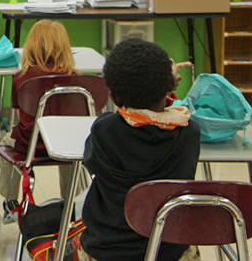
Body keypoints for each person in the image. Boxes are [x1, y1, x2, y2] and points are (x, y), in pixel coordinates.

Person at [80, 38, 201, 261]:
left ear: (114, 97)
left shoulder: (105, 130)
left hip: (107, 250)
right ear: (172, 85)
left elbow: (90, 162)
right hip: (169, 252)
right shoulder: (189, 133)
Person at [0, 20, 78, 222]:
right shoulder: (76, 77)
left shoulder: (22, 78)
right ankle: (72, 204)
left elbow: (17, 110)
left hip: (30, 145)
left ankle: (10, 200)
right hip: (65, 145)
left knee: (7, 142)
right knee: (70, 155)